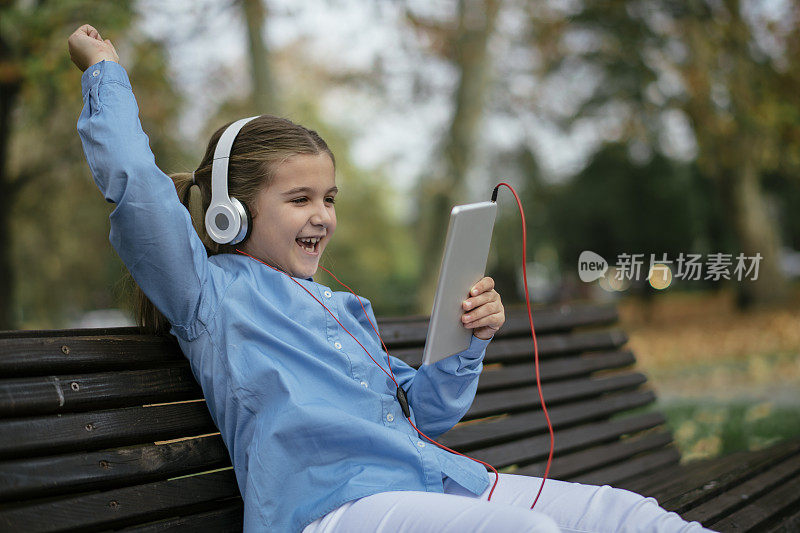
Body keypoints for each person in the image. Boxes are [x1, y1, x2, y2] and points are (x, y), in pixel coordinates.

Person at [67, 23, 715, 533]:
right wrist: (105, 73)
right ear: (229, 212)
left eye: (330, 196)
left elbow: (426, 411)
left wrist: (467, 340)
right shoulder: (208, 294)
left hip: (427, 479)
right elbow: (136, 184)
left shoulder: (343, 307)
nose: (323, 214)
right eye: (300, 199)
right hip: (331, 509)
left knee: (628, 515)